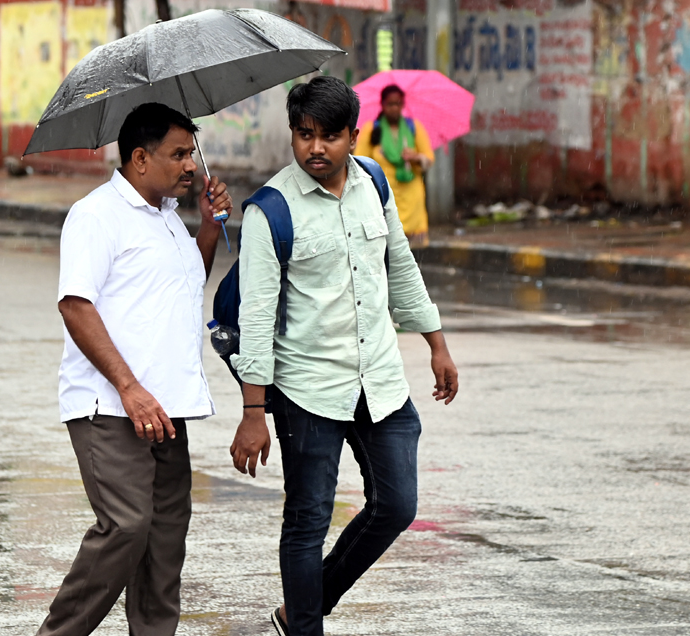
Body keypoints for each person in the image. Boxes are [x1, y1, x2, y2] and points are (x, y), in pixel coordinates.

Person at [228, 76, 459, 636]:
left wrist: (436, 341)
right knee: (307, 519)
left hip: (379, 378)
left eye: (329, 136)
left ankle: (303, 607)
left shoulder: (375, 184)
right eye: (304, 134)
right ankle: (306, 627)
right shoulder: (270, 211)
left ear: (354, 136)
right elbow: (255, 317)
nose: (315, 148)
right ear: (293, 134)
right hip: (308, 388)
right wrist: (254, 411)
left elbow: (399, 265)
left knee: (398, 504)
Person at [36, 102, 231, 636]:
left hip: (170, 408)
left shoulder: (169, 216)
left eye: (192, 153)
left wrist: (210, 231)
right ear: (140, 158)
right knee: (126, 526)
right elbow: (75, 304)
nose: (191, 165)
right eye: (179, 154)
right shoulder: (96, 215)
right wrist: (129, 387)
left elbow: (185, 285)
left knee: (164, 545)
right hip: (111, 407)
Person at [353, 84, 436, 248]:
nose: (395, 108)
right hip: (384, 196)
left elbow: (429, 159)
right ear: (382, 105)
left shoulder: (414, 128)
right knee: (388, 250)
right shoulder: (372, 129)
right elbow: (358, 162)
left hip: (412, 196)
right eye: (390, 104)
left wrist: (416, 157)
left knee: (413, 255)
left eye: (398, 103)